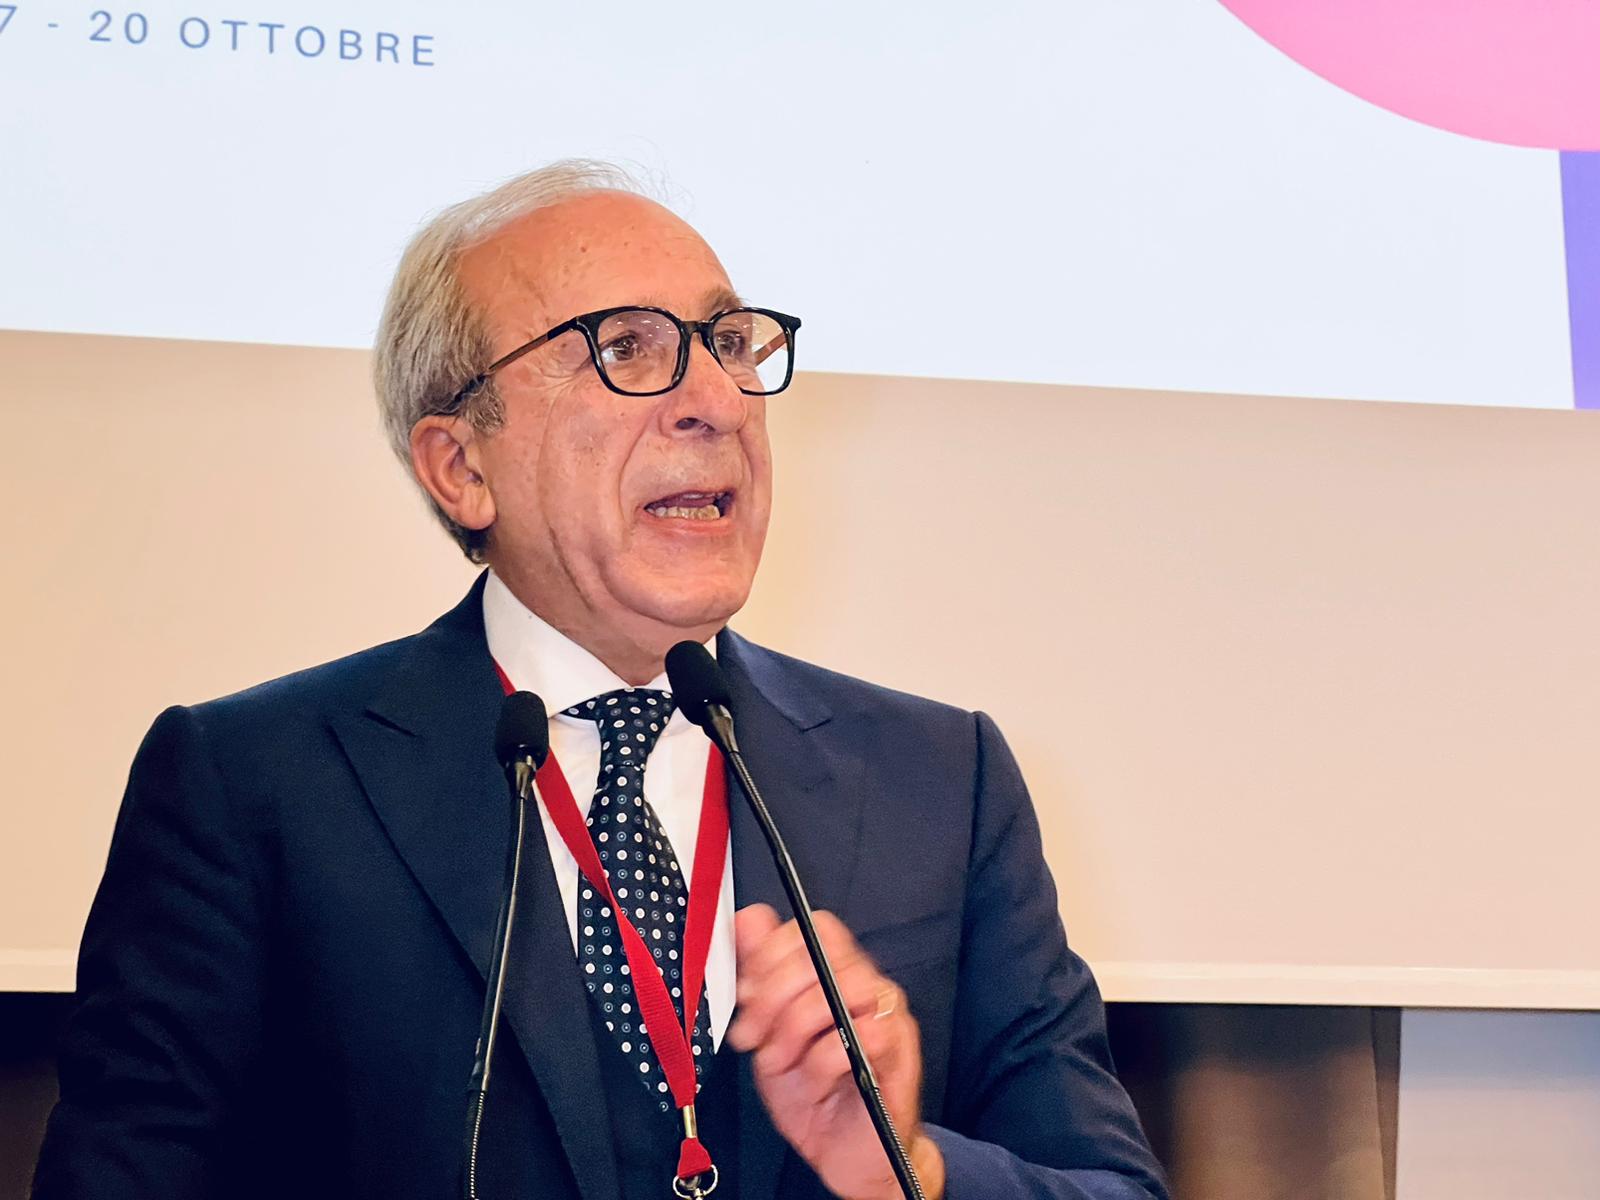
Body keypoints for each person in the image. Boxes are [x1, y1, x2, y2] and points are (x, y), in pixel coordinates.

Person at [33, 161, 1168, 1200]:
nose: (719, 400)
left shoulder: (941, 778)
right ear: (460, 466)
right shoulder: (253, 786)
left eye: (730, 343)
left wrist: (912, 1171)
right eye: (626, 348)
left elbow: (1111, 1188)